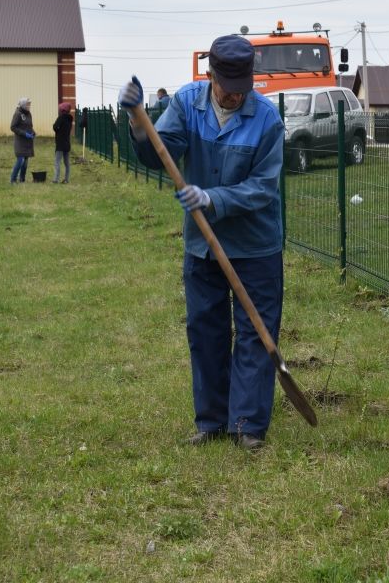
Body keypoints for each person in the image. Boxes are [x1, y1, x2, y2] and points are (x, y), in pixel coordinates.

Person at [119, 35, 285, 452]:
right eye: (226, 86)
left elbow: (264, 188)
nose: (233, 96)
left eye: (241, 88)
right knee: (205, 330)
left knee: (255, 332)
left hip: (255, 247)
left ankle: (247, 425)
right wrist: (139, 122)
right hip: (202, 247)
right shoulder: (187, 104)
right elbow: (160, 154)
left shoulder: (267, 119)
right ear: (209, 75)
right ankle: (211, 420)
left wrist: (214, 198)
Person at [10, 97, 35, 183]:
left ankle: (22, 179)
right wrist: (24, 134)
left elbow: (30, 126)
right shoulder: (17, 114)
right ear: (23, 105)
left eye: (29, 104)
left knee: (25, 162)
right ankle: (13, 179)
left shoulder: (29, 114)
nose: (29, 106)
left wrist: (33, 132)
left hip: (28, 142)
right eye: (28, 104)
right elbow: (13, 127)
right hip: (20, 142)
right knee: (20, 161)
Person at [53, 102, 74, 183]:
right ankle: (66, 179)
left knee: (57, 162)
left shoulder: (61, 117)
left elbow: (55, 127)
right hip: (67, 143)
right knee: (66, 163)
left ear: (62, 110)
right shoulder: (70, 119)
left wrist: (57, 130)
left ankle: (56, 179)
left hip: (60, 144)